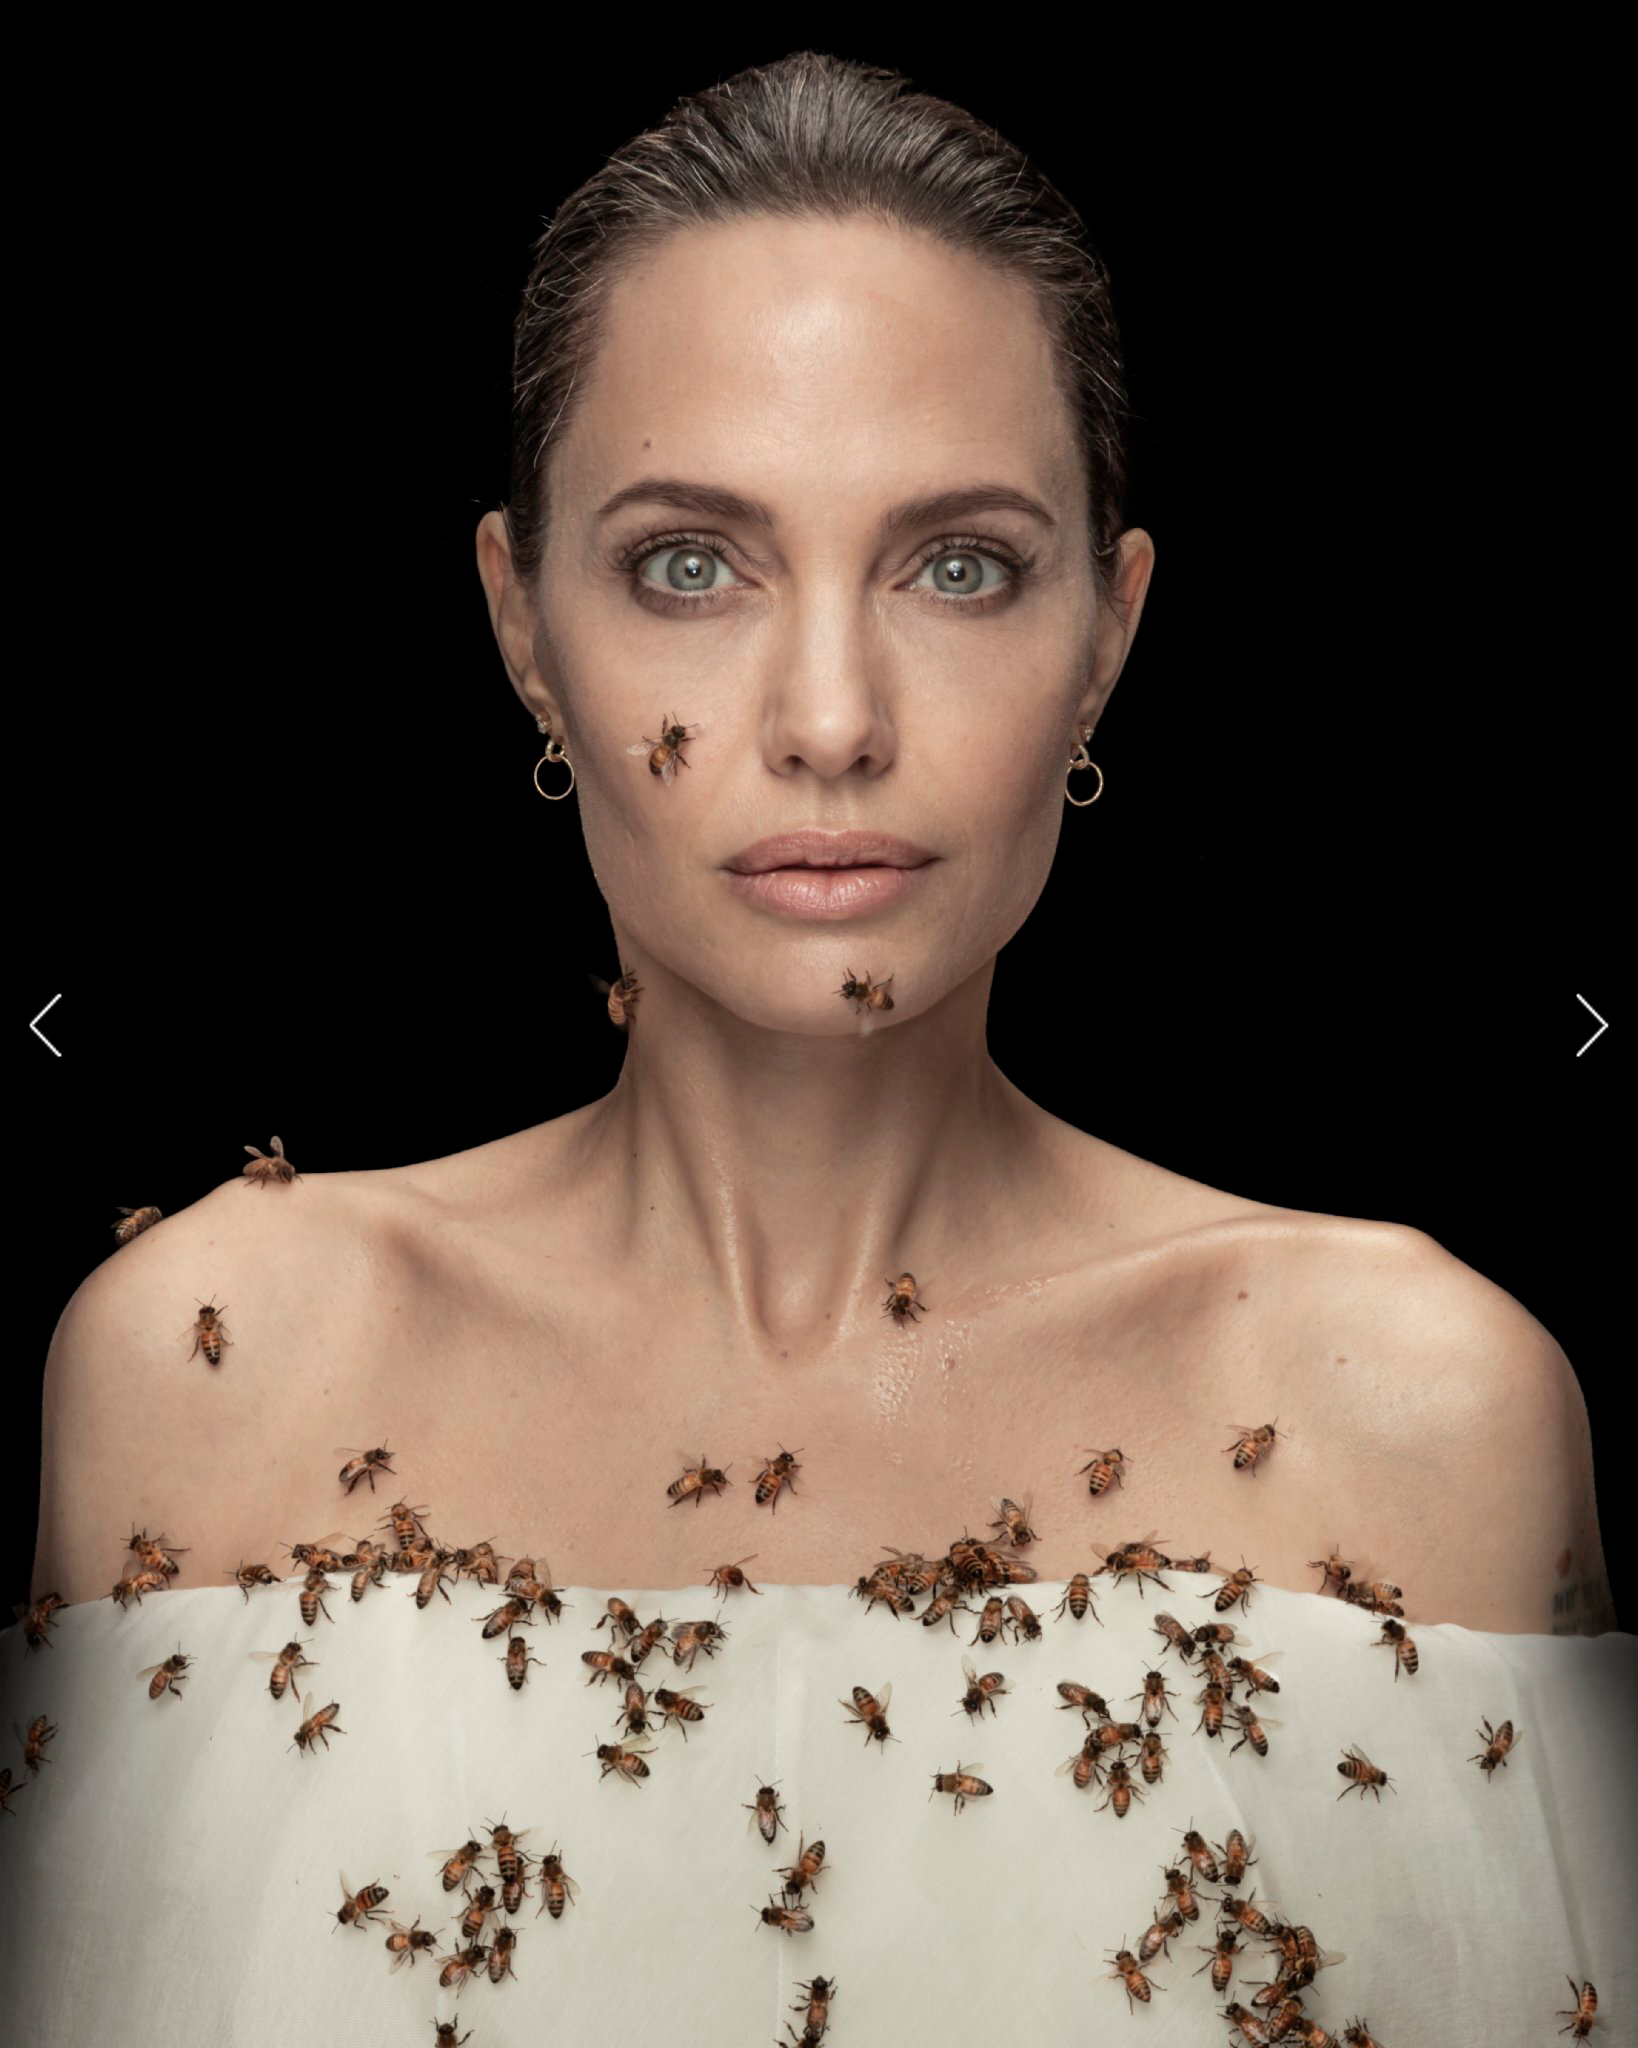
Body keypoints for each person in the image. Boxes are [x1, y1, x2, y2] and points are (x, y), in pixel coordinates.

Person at [11, 54, 1629, 2048]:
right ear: (523, 619)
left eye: (961, 564)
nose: (834, 716)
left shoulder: (1407, 1415)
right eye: (690, 562)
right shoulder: (214, 1378)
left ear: (1109, 632)